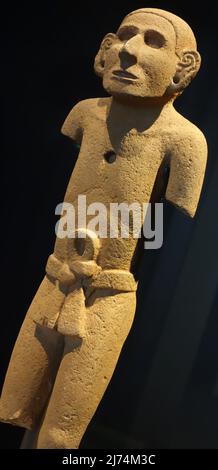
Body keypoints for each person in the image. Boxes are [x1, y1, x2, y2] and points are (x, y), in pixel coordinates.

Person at [0, 8, 207, 448]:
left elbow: (173, 210)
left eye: (153, 41)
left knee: (60, 434)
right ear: (105, 48)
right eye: (125, 36)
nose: (129, 51)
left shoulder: (184, 141)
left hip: (108, 294)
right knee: (19, 409)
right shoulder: (85, 115)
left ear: (183, 67)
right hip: (56, 278)